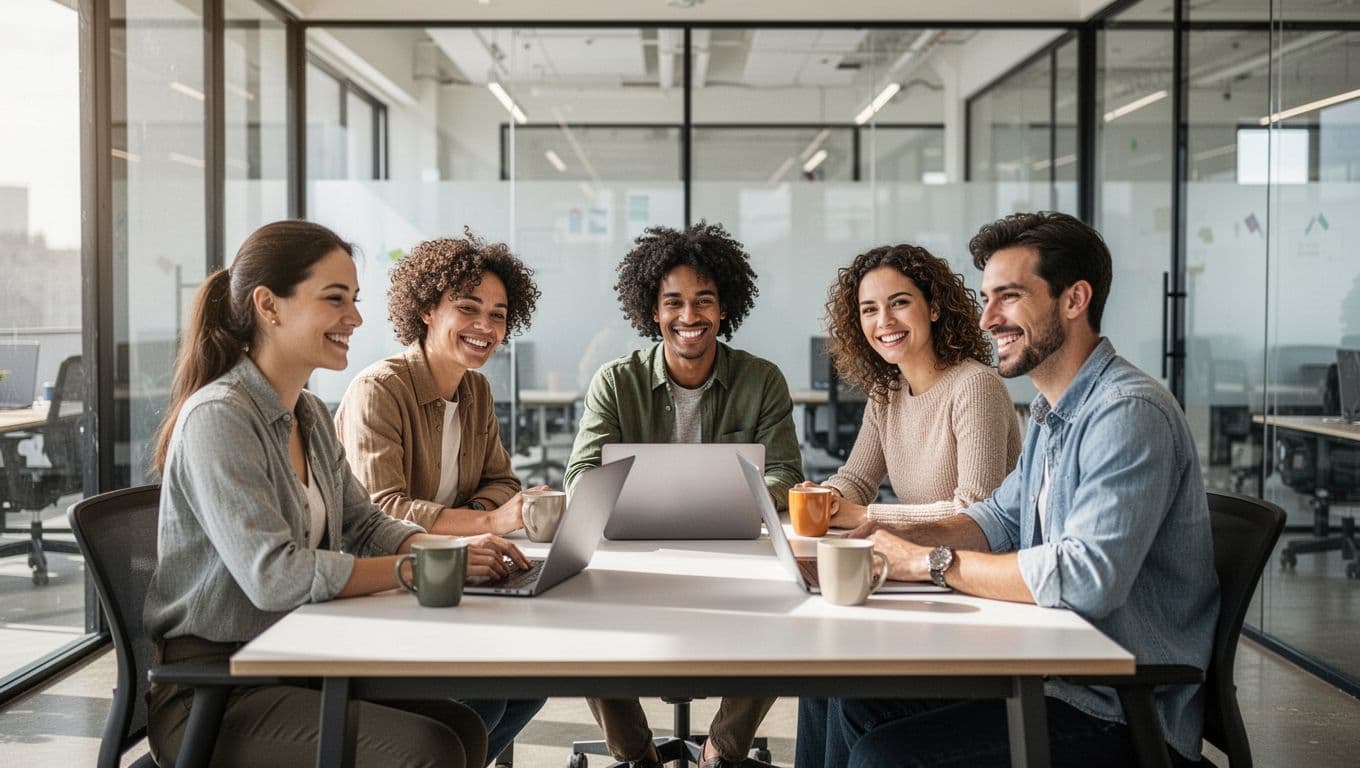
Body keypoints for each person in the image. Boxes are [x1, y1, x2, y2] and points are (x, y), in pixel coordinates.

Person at [806, 212, 1219, 767]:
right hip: (1049, 666)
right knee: (834, 690)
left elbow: (1084, 578)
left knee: (885, 756)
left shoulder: (1126, 412)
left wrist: (927, 560)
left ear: (1074, 300)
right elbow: (995, 519)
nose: (987, 318)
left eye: (1009, 297)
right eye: (985, 298)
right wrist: (883, 536)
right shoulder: (1054, 413)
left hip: (1114, 704)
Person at [143, 220, 530, 768]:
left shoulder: (308, 414)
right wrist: (415, 570)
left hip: (299, 655)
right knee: (432, 747)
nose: (355, 317)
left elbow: (366, 524)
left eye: (354, 299)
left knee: (463, 725)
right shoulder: (220, 418)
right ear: (269, 307)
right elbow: (275, 575)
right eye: (335, 299)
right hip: (221, 688)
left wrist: (447, 554)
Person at [565, 222, 803, 768]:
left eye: (704, 302)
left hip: (736, 554)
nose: (689, 316)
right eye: (673, 302)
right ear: (653, 310)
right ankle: (636, 754)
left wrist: (730, 501)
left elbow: (786, 472)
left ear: (724, 309)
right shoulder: (614, 381)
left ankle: (722, 749)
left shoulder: (762, 380)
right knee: (576, 607)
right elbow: (580, 475)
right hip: (631, 555)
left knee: (793, 603)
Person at [793, 244, 1022, 766]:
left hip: (977, 590)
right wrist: (821, 498)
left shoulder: (975, 386)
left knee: (840, 681)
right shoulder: (887, 392)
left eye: (899, 303)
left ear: (934, 306)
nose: (884, 321)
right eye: (869, 310)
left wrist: (871, 519)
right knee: (819, 674)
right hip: (923, 578)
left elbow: (979, 509)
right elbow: (856, 479)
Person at [334, 230, 547, 760]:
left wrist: (477, 516)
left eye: (498, 315)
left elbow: (503, 482)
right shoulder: (378, 390)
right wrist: (488, 524)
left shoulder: (475, 389)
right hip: (387, 586)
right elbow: (383, 509)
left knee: (531, 683)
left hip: (450, 577)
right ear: (427, 310)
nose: (486, 327)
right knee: (485, 700)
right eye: (469, 308)